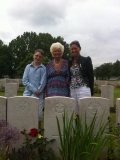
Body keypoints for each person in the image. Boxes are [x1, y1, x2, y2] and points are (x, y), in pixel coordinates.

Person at [22, 49, 46, 129]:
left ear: (42, 58)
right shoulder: (28, 67)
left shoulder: (43, 68)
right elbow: (24, 80)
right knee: (26, 114)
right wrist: (34, 90)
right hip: (27, 94)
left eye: (40, 57)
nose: (38, 57)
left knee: (38, 115)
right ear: (33, 56)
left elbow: (43, 81)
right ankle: (27, 133)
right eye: (36, 55)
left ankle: (38, 133)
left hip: (39, 95)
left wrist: (38, 90)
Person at [68, 40, 94, 116]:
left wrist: (91, 91)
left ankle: (84, 128)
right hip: (72, 90)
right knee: (75, 112)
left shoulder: (86, 60)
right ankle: (76, 127)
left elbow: (91, 76)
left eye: (75, 48)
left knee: (84, 111)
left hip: (83, 88)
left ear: (80, 48)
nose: (73, 50)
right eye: (72, 49)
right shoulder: (69, 62)